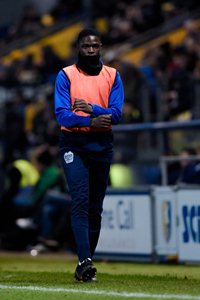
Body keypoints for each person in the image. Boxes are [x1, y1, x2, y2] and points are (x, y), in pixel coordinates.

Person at [54, 28, 124, 282]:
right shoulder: (66, 75)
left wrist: (92, 109)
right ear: (78, 48)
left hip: (102, 144)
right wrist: (91, 121)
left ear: (101, 47)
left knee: (95, 209)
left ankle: (85, 263)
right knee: (81, 201)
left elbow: (117, 114)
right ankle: (84, 261)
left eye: (95, 46)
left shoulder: (113, 75)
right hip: (74, 144)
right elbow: (61, 114)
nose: (91, 51)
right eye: (86, 47)